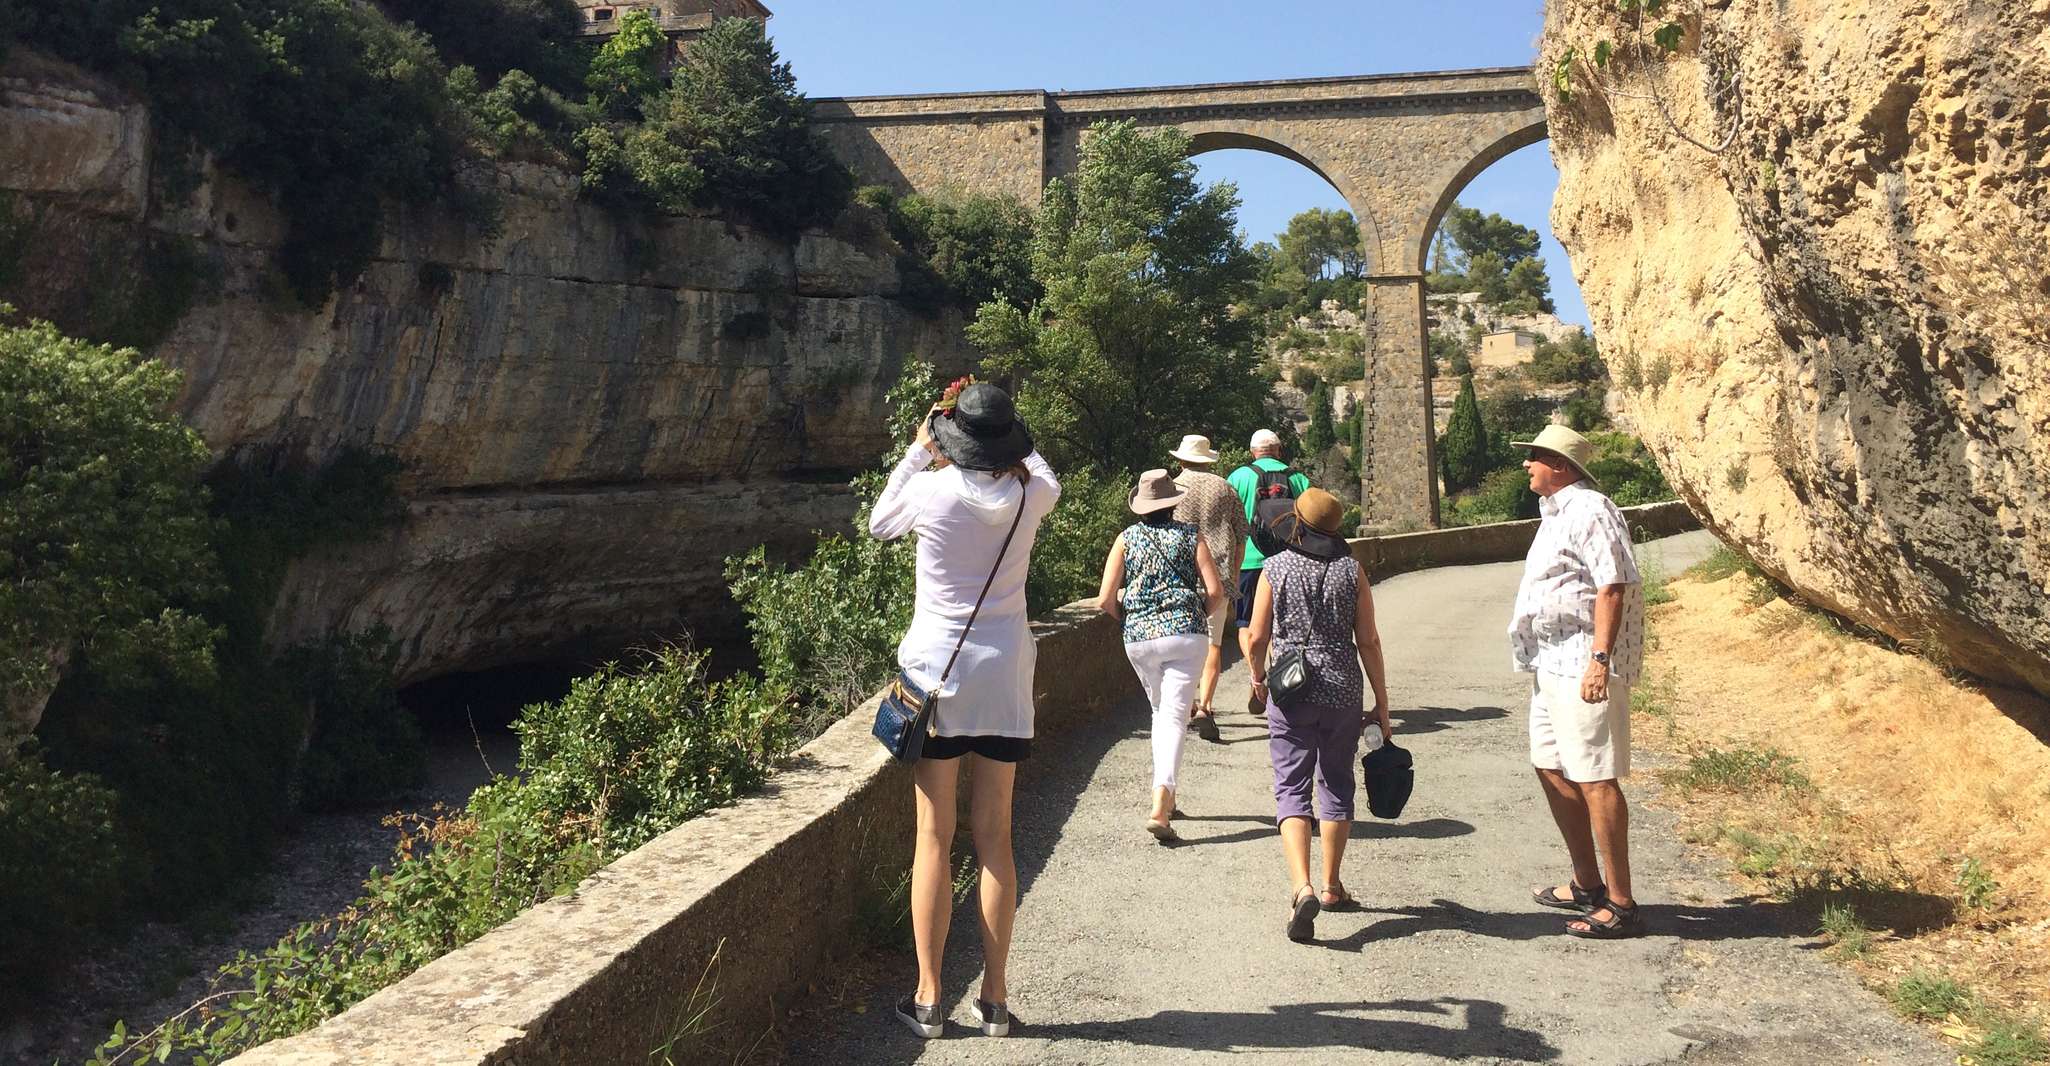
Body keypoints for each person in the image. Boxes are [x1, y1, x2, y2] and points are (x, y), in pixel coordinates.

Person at [868, 382, 1061, 1037]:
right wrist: (1006, 427)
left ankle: (928, 998)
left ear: (954, 440)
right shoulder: (1033, 496)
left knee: (933, 838)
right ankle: (997, 1001)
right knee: (996, 839)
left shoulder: (933, 491)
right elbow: (1041, 466)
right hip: (1004, 678)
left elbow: (878, 522)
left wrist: (921, 447)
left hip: (936, 678)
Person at [1506, 424, 1647, 940]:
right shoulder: (1556, 513)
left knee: (1595, 775)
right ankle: (1587, 883)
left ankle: (1622, 902)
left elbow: (1614, 586)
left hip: (1581, 663)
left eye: (1535, 457)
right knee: (1550, 765)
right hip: (1551, 662)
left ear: (1560, 466)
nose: (1527, 465)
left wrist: (1599, 660)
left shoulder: (1591, 510)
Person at [1244, 488, 1390, 943]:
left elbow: (1255, 636)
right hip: (1343, 687)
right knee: (1336, 781)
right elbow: (1368, 639)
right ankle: (1331, 886)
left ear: (1298, 525)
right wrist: (1382, 703)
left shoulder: (1275, 568)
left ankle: (1300, 884)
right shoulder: (1352, 570)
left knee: (1291, 786)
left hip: (1291, 688)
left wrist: (1257, 678)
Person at [1095, 468, 1225, 841]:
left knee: (1160, 714)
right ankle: (1160, 802)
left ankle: (1167, 794)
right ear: (1172, 505)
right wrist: (1194, 613)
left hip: (1139, 638)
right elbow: (1214, 592)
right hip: (1185, 634)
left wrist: (1132, 619)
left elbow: (1105, 599)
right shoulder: (1190, 536)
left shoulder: (1125, 538)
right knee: (1173, 717)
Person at [1168, 434, 1250, 740]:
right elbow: (1242, 535)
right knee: (1213, 644)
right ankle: (1206, 707)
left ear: (1180, 460)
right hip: (1219, 576)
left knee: (1183, 643)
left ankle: (1187, 704)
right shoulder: (1225, 488)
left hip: (1183, 579)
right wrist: (1234, 571)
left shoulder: (1172, 489)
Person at [1229, 429, 1310, 712]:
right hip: (1290, 561)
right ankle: (1282, 679)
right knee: (1284, 625)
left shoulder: (1238, 477)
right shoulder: (1297, 478)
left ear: (1253, 452)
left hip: (1249, 562)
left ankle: (1257, 678)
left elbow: (1228, 519)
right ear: (1279, 450)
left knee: (1246, 624)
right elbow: (1311, 520)